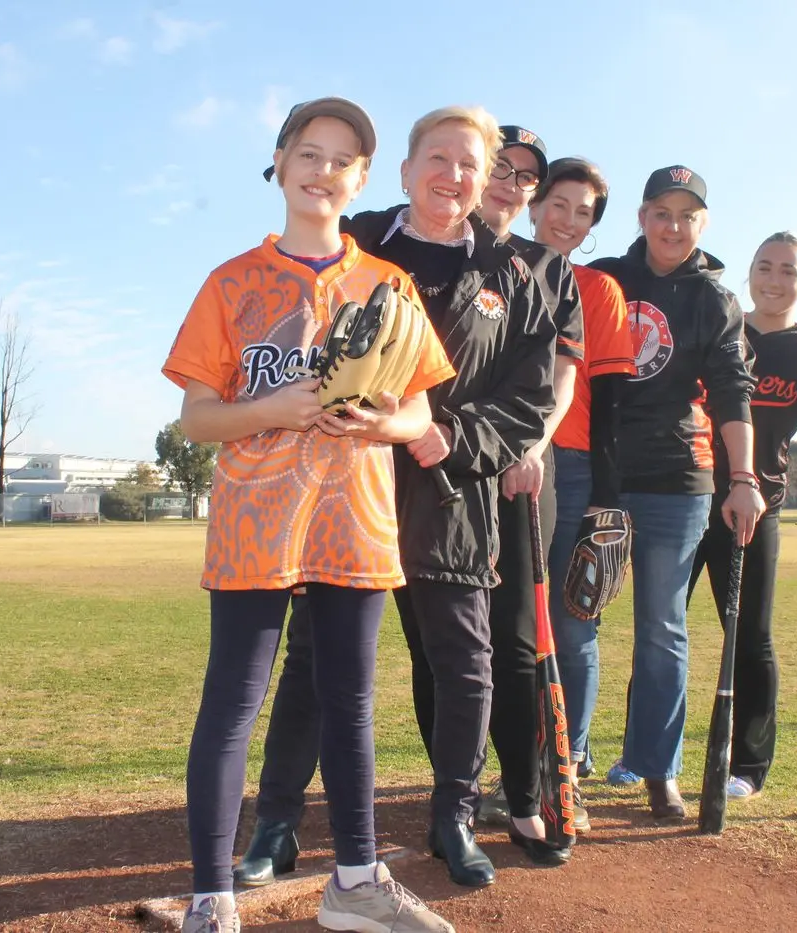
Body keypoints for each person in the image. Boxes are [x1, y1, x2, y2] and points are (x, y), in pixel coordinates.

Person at [235, 105, 557, 889]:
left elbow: (530, 397)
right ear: (407, 171)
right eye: (437, 159)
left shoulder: (515, 274)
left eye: (469, 166)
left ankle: (453, 815)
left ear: (486, 184)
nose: (452, 176)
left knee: (464, 662)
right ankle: (276, 821)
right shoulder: (357, 244)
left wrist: (451, 434)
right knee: (315, 657)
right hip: (344, 485)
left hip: (449, 489)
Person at [161, 97, 458, 933]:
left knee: (348, 699)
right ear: (280, 163)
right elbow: (196, 416)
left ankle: (355, 882)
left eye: (341, 159)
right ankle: (212, 896)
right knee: (233, 702)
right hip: (256, 513)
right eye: (308, 152)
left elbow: (420, 417)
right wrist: (277, 405)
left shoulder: (387, 284)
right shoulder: (231, 282)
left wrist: (379, 421)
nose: (323, 170)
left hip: (353, 514)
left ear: (362, 178)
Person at [586, 165, 764, 821]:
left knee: (661, 628)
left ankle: (657, 767)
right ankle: (563, 763)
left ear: (702, 225)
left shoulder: (712, 299)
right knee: (580, 618)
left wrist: (741, 478)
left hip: (676, 479)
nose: (672, 226)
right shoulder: (604, 279)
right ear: (641, 216)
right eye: (662, 212)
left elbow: (731, 391)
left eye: (686, 216)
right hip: (598, 472)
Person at [688, 230, 797, 800]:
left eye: (788, 270)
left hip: (756, 510)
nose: (774, 278)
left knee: (751, 635)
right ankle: (645, 757)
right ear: (749, 274)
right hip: (686, 494)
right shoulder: (719, 328)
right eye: (765, 266)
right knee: (661, 628)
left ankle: (748, 766)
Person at [466, 126, 585, 861]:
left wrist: (532, 447)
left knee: (512, 640)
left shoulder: (547, 268)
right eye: (500, 169)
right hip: (435, 468)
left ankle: (520, 793)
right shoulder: (425, 245)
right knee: (442, 643)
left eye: (524, 178)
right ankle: (456, 789)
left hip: (519, 472)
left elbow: (560, 378)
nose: (511, 185)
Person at [512, 156, 629, 827]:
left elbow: (611, 399)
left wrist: (604, 499)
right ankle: (514, 767)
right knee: (510, 626)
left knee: (573, 618)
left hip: (575, 461)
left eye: (582, 211)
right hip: (504, 460)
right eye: (557, 202)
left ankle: (568, 761)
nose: (566, 218)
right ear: (534, 205)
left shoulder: (598, 289)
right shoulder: (496, 267)